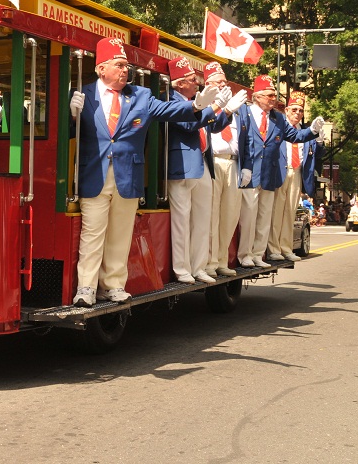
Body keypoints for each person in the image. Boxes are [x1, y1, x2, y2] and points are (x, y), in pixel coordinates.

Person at [68, 38, 226, 306]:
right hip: (94, 174)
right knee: (92, 233)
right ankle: (86, 287)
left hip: (127, 175)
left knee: (120, 233)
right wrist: (72, 116)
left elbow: (170, 110)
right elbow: (68, 136)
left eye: (126, 65)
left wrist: (198, 106)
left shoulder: (140, 96)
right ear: (101, 68)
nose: (124, 70)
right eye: (119, 65)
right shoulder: (84, 94)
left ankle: (114, 284)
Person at [165, 57, 246, 284]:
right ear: (179, 83)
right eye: (192, 80)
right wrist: (217, 106)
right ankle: (182, 269)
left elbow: (214, 125)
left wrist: (227, 112)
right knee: (182, 220)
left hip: (202, 163)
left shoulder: (197, 100)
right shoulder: (172, 100)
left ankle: (199, 266)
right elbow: (190, 123)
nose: (196, 83)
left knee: (202, 219)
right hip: (181, 166)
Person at [235, 75, 323, 269]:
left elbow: (295, 136)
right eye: (269, 95)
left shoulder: (277, 118)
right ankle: (245, 254)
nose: (273, 98)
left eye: (274, 94)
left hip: (269, 174)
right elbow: (240, 141)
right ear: (257, 96)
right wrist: (243, 166)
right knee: (249, 216)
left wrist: (313, 132)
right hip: (250, 173)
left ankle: (258, 254)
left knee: (264, 217)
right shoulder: (245, 112)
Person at [268, 90, 324, 262]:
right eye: (294, 110)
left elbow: (318, 155)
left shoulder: (307, 132)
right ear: (286, 110)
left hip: (297, 172)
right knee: (276, 212)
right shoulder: (280, 126)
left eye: (300, 110)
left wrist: (320, 141)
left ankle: (286, 247)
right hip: (280, 171)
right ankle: (273, 248)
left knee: (290, 212)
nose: (298, 114)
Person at [201, 63, 241, 278]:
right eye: (218, 81)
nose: (224, 84)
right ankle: (209, 261)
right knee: (211, 214)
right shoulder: (205, 103)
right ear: (207, 83)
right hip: (213, 160)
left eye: (225, 81)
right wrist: (223, 108)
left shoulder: (236, 107)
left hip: (232, 162)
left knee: (229, 214)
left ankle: (222, 259)